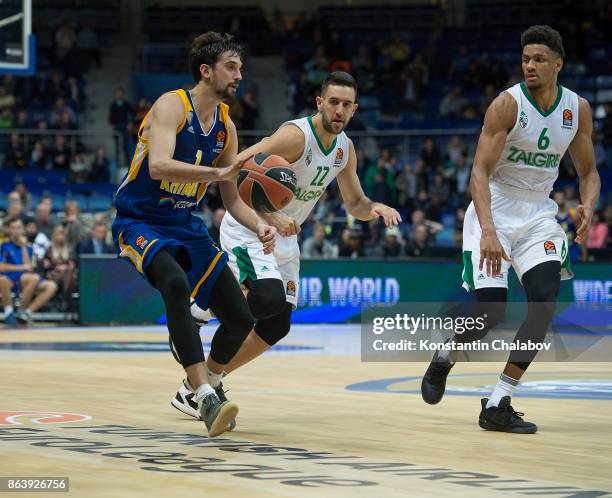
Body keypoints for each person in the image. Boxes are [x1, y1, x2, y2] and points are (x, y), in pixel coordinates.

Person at [171, 71, 401, 420]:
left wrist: (375, 208)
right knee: (266, 300)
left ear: (354, 110)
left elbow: (355, 203)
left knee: (277, 324)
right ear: (319, 103)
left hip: (285, 236)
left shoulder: (344, 149)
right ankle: (201, 306)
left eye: (346, 105)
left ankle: (203, 384)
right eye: (333, 102)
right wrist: (267, 215)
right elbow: (238, 165)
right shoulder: (296, 136)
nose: (339, 110)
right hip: (250, 226)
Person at [420, 25, 600, 433]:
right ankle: (444, 357)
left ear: (558, 64)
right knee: (490, 312)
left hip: (538, 213)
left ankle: (499, 401)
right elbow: (479, 172)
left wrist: (588, 205)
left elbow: (589, 171)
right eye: (525, 59)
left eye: (538, 59)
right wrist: (487, 230)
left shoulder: (577, 109)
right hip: (495, 207)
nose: (530, 66)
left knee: (544, 301)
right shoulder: (506, 105)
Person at [111, 32, 276, 438]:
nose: (240, 74)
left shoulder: (226, 127)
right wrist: (217, 172)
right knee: (174, 280)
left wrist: (260, 224)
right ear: (206, 71)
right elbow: (159, 166)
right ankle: (203, 394)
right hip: (141, 220)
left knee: (240, 317)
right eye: (231, 67)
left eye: (240, 67)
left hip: (186, 226)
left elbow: (233, 202)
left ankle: (202, 385)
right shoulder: (171, 105)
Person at [0, 218, 58, 325]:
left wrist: (23, 247)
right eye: (13, 228)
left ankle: (25, 312)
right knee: (3, 279)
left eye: (18, 228)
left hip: (26, 279)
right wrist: (21, 268)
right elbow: (1, 266)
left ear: (22, 230)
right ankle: (10, 312)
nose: (16, 231)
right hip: (10, 278)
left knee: (51, 286)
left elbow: (30, 267)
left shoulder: (28, 246)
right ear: (9, 230)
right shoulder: (4, 245)